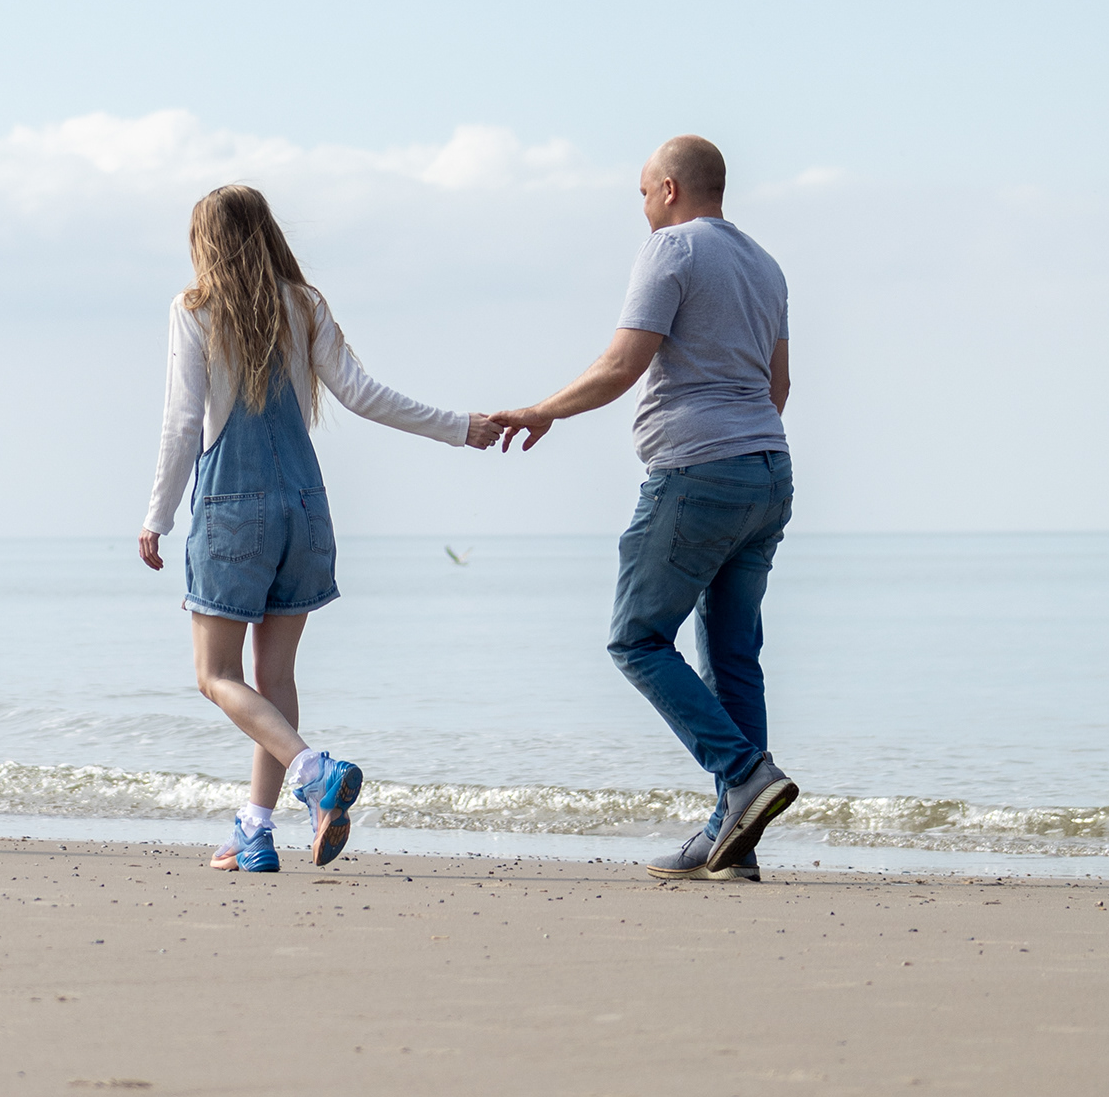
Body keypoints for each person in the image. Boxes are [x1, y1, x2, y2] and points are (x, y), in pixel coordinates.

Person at [140, 185, 500, 874]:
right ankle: (255, 830)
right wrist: (460, 427)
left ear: (205, 242)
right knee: (274, 678)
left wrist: (157, 515)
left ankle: (315, 773)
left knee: (215, 675)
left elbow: (183, 422)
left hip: (233, 511)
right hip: (305, 511)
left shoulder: (195, 308)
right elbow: (363, 395)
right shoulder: (302, 304)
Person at [492, 137, 799, 881]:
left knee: (636, 639)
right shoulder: (765, 264)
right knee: (733, 654)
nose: (641, 208)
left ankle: (744, 776)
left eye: (641, 193)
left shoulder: (672, 250)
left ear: (668, 188)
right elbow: (779, 386)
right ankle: (732, 842)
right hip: (768, 471)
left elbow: (622, 365)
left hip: (696, 474)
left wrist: (541, 410)